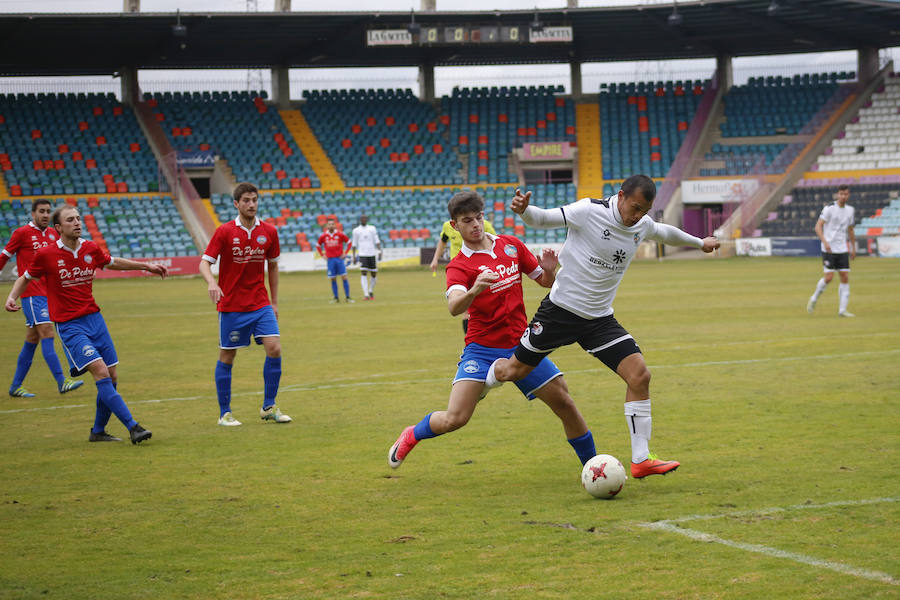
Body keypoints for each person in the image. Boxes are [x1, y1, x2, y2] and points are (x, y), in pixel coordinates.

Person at [484, 175, 720, 479]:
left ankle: (641, 459)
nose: (637, 216)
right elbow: (543, 219)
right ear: (620, 196)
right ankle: (482, 384)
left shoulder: (641, 224)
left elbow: (665, 232)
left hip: (598, 320)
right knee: (512, 371)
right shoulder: (589, 211)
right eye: (634, 207)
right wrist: (525, 211)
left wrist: (700, 243)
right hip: (560, 313)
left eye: (643, 211)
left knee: (639, 375)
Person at [388, 190, 598, 471]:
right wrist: (476, 288)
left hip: (522, 347)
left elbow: (544, 282)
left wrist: (549, 270)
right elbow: (453, 307)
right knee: (455, 419)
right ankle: (411, 434)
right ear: (454, 226)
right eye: (467, 220)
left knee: (564, 403)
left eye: (479, 218)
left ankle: (594, 468)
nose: (475, 225)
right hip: (482, 349)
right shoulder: (459, 266)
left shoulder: (510, 245)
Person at [4, 205, 165, 444]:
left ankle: (98, 431)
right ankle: (134, 427)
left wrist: (146, 266)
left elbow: (112, 262)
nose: (77, 223)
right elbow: (26, 277)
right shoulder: (47, 254)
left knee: (111, 376)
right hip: (69, 325)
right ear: (58, 227)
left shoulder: (90, 248)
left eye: (79, 218)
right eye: (71, 220)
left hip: (94, 319)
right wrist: (11, 297)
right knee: (100, 371)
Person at [199, 182, 291, 427]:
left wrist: (274, 302)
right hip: (231, 305)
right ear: (236, 204)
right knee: (228, 355)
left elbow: (272, 265)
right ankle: (225, 413)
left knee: (274, 348)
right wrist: (211, 283)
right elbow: (204, 263)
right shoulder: (225, 232)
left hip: (260, 303)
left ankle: (269, 407)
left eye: (255, 200)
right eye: (246, 200)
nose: (251, 204)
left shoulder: (269, 231)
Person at [1, 199, 84, 397]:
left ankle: (15, 386)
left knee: (32, 339)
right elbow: (4, 255)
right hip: (31, 294)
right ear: (33, 214)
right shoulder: (22, 233)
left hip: (48, 294)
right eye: (41, 211)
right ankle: (62, 381)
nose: (45, 215)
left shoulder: (53, 234)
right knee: (48, 334)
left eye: (48, 211)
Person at [429, 215, 496, 333]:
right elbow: (443, 241)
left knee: (487, 304)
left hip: (481, 269)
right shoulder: (447, 226)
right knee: (466, 309)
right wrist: (435, 259)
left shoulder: (484, 225)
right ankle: (470, 341)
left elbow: (496, 243)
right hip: (459, 272)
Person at [807, 184, 856, 317]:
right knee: (829, 277)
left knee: (845, 276)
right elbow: (818, 227)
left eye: (846, 194)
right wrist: (825, 242)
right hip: (828, 248)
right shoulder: (829, 209)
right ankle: (814, 298)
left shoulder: (850, 211)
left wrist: (853, 247)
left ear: (848, 195)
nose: (843, 196)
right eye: (841, 194)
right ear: (837, 194)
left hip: (842, 249)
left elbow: (850, 230)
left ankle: (842, 310)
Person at [317, 218, 353, 303]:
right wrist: (322, 255)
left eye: (332, 224)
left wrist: (345, 253)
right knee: (333, 278)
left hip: (339, 259)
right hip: (330, 260)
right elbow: (318, 245)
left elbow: (349, 242)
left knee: (344, 277)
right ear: (327, 226)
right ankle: (336, 298)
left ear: (335, 225)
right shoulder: (323, 236)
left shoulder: (340, 234)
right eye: (329, 224)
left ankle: (347, 297)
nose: (331, 226)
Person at [351, 214, 382, 301]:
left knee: (374, 274)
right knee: (363, 273)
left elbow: (377, 240)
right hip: (362, 254)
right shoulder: (356, 230)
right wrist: (353, 256)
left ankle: (371, 290)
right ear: (360, 220)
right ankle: (366, 294)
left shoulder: (372, 228)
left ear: (367, 219)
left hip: (372, 253)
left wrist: (379, 251)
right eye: (362, 218)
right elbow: (354, 244)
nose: (363, 219)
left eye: (365, 218)